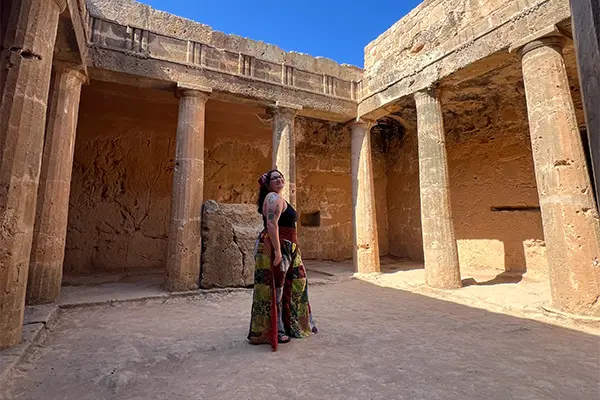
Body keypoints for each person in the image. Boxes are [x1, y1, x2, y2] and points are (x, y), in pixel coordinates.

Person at [248, 169, 317, 349]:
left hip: (288, 246)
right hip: (280, 246)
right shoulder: (272, 198)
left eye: (280, 177)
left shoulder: (277, 198)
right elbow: (272, 224)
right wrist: (278, 251)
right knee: (277, 287)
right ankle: (278, 330)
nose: (279, 180)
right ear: (268, 184)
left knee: (294, 283)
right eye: (274, 178)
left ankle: (291, 325)